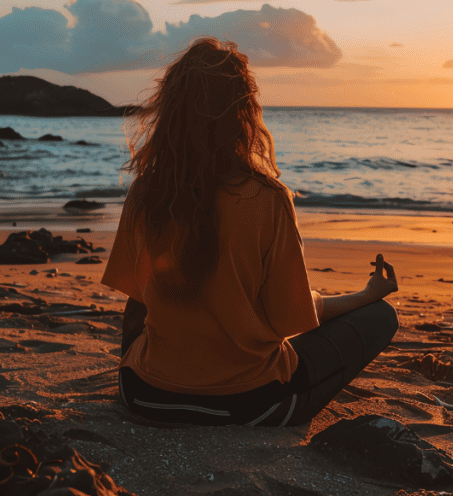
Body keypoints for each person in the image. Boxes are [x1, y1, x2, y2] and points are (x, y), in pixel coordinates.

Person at [99, 37, 399, 428]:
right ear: (244, 111)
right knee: (381, 317)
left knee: (143, 297)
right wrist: (365, 296)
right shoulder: (267, 197)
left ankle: (159, 373)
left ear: (170, 109)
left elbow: (136, 299)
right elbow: (289, 320)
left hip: (144, 396)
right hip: (250, 405)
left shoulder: (147, 191)